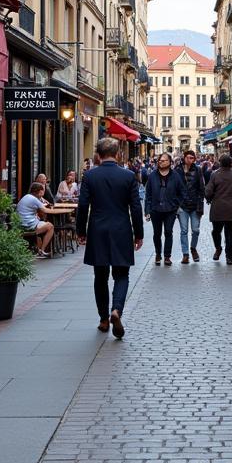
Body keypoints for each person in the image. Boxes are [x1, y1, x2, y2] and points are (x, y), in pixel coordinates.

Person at [75, 136, 144, 337]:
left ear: (98, 155)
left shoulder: (90, 176)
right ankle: (117, 310)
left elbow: (83, 206)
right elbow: (136, 207)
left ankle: (104, 319)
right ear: (118, 153)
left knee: (100, 276)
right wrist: (138, 234)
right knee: (122, 274)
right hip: (121, 229)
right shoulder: (129, 176)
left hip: (97, 230)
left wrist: (81, 231)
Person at [205, 153, 232, 265]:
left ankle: (218, 248)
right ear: (231, 163)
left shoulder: (214, 175)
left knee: (216, 231)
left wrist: (209, 197)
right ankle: (230, 257)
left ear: (220, 163)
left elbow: (208, 191)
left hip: (218, 209)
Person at [143, 152, 183, 266]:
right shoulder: (152, 176)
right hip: (155, 209)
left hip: (170, 210)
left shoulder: (175, 175)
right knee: (157, 233)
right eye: (160, 160)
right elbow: (148, 194)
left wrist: (176, 204)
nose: (161, 162)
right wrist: (147, 211)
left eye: (164, 160)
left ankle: (167, 256)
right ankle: (158, 254)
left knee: (168, 232)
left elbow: (182, 192)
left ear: (170, 162)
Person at [176, 149, 206, 264]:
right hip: (182, 205)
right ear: (184, 158)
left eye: (192, 158)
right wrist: (176, 204)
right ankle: (185, 254)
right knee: (184, 231)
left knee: (196, 230)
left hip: (194, 205)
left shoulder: (197, 170)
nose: (191, 160)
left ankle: (193, 248)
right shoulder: (177, 170)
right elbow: (174, 188)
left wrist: (200, 204)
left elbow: (201, 188)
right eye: (189, 157)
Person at [17, 182, 54, 257]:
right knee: (50, 226)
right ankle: (42, 250)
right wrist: (56, 211)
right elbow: (45, 210)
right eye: (42, 191)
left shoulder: (27, 196)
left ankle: (38, 248)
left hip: (21, 223)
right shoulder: (34, 199)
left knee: (42, 222)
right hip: (28, 225)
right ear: (40, 191)